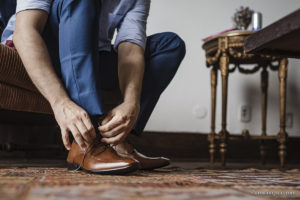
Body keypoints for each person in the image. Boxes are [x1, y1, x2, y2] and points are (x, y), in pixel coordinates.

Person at [1, 0, 186, 175]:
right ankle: (86, 144)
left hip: (91, 55)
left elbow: (130, 46)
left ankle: (116, 140)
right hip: (40, 48)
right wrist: (60, 102)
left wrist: (131, 102)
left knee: (170, 45)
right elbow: (25, 32)